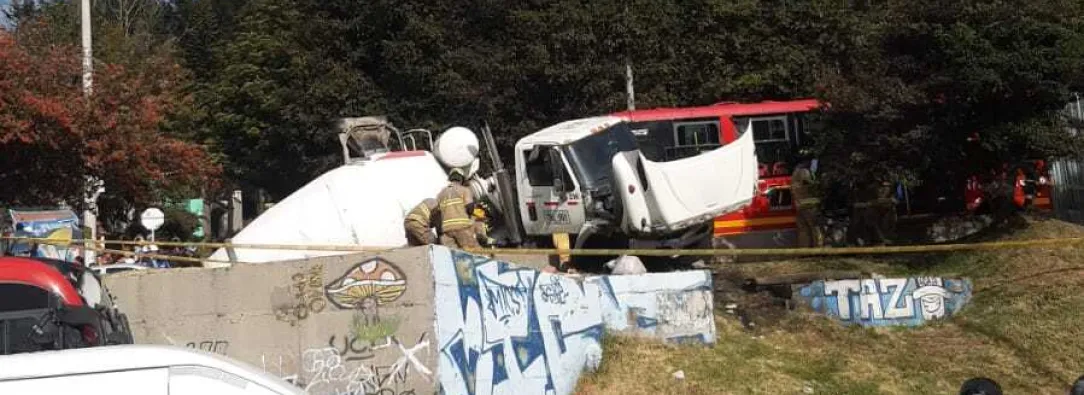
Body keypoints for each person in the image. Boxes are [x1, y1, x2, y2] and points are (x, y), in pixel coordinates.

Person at [436, 168, 482, 249]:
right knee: (475, 252)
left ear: (450, 178)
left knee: (456, 256)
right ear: (461, 179)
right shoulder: (464, 190)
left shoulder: (440, 194)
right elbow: (470, 208)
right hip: (461, 227)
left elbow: (438, 214)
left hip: (447, 230)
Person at [791, 161, 823, 248]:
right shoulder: (803, 172)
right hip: (810, 206)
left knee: (803, 230)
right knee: (815, 228)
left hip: (800, 206)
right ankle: (818, 250)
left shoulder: (794, 176)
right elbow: (809, 182)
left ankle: (804, 251)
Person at [874, 178, 898, 244]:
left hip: (889, 213)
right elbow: (878, 200)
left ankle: (887, 239)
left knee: (888, 226)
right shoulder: (879, 191)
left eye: (888, 187)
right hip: (880, 213)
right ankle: (883, 240)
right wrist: (889, 200)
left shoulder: (892, 194)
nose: (886, 188)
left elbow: (895, 201)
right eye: (884, 186)